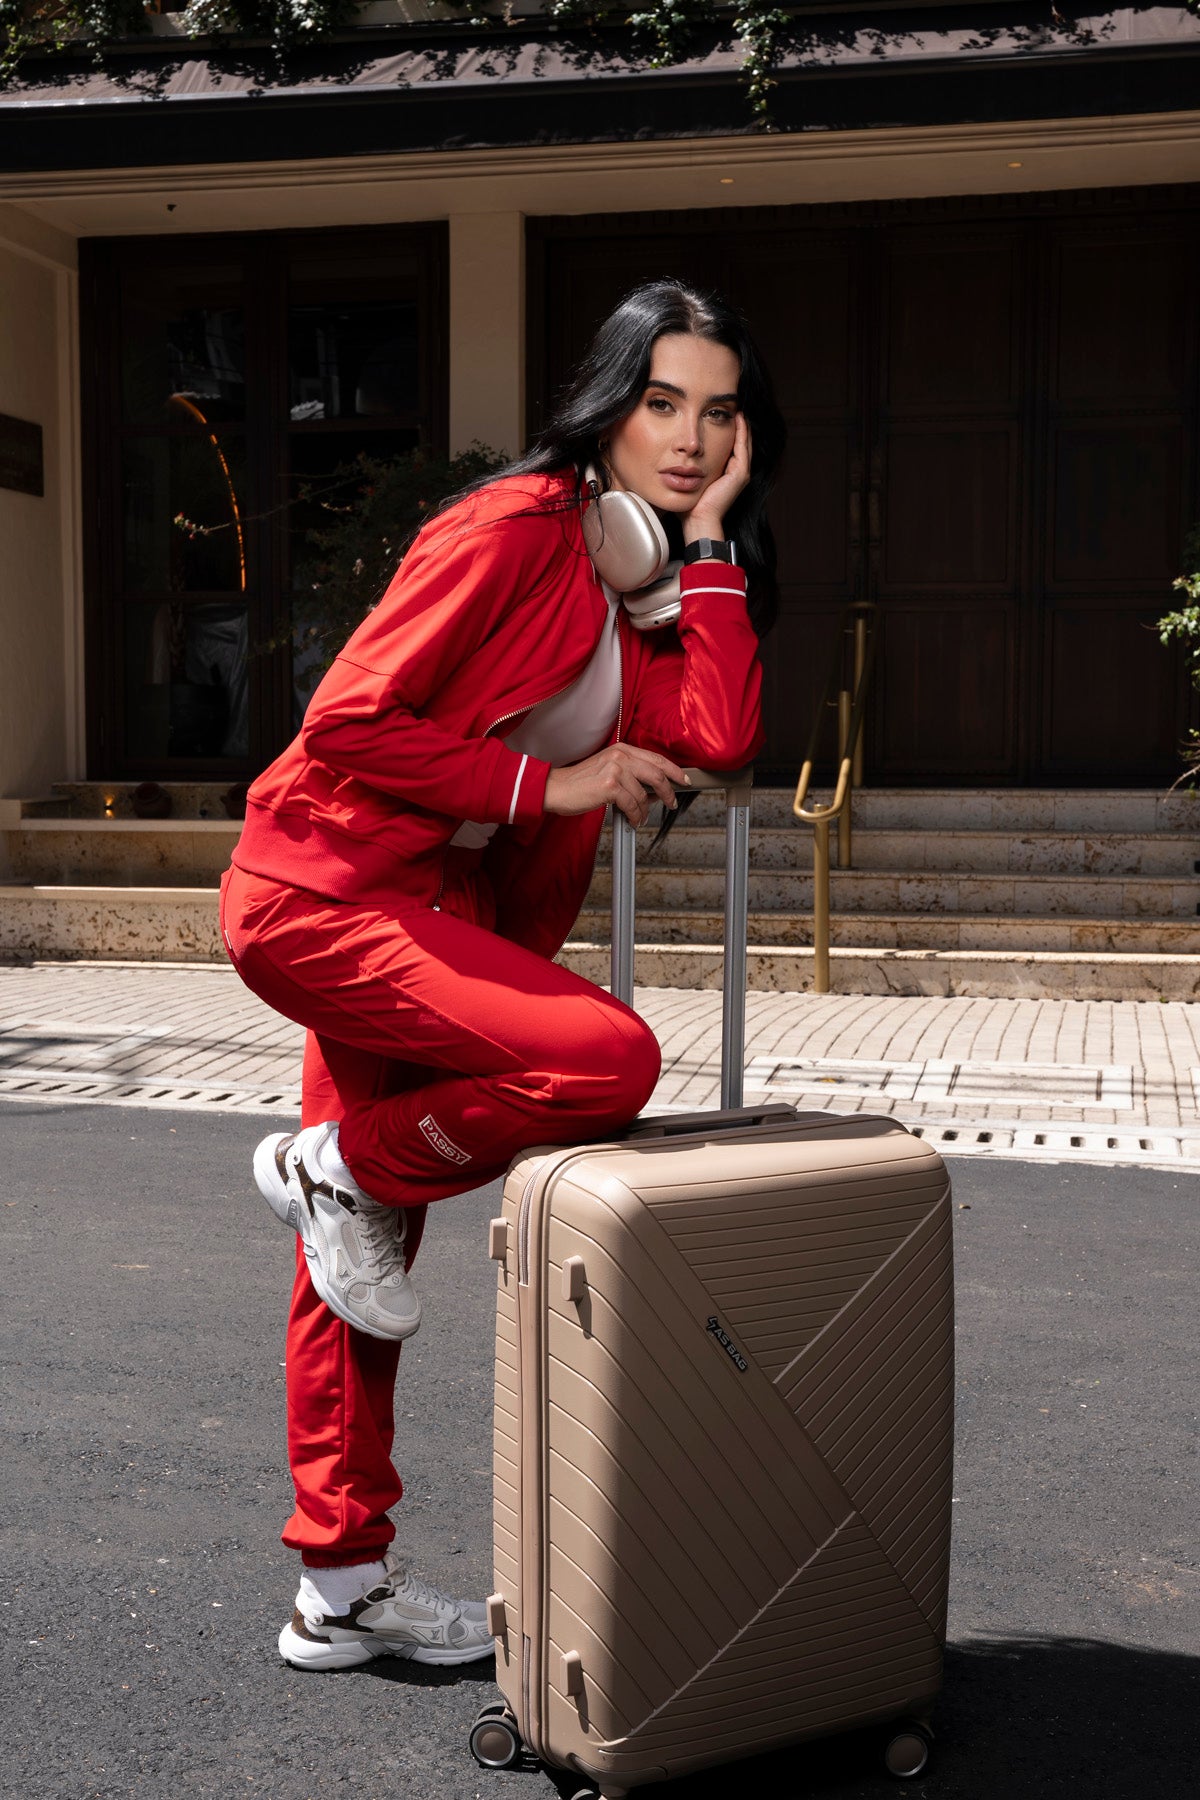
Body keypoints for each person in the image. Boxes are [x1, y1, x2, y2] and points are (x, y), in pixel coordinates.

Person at [219, 278, 786, 1673]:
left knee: (360, 1254)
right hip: (330, 889)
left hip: (438, 913)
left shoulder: (647, 585)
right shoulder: (510, 529)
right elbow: (349, 719)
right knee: (603, 1061)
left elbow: (716, 735)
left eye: (720, 414)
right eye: (663, 404)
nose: (693, 437)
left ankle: (337, 1592)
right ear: (607, 404)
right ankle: (338, 1162)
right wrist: (560, 779)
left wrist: (709, 548)